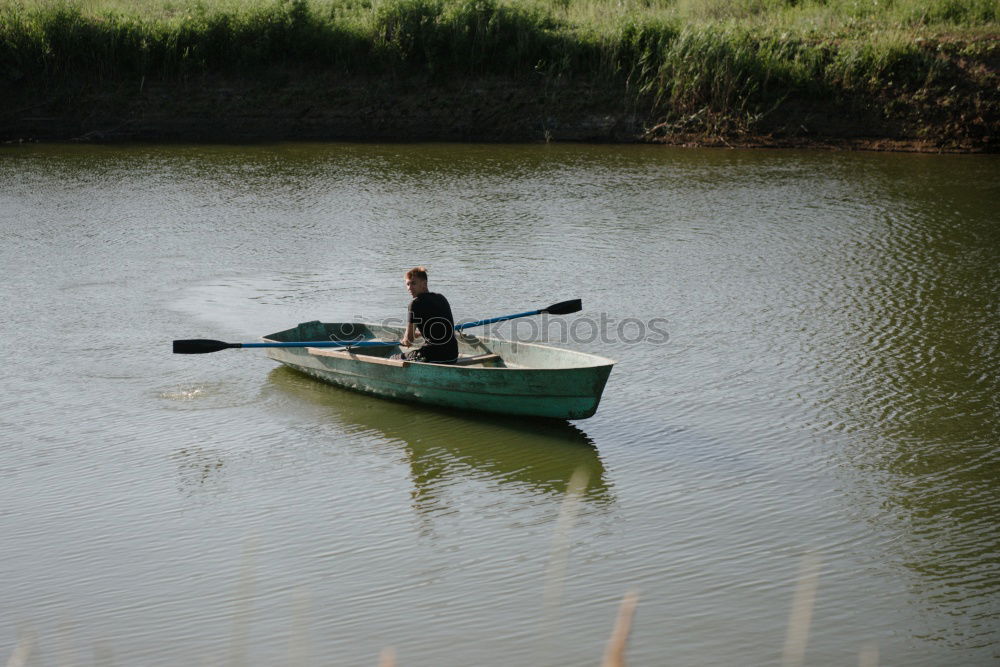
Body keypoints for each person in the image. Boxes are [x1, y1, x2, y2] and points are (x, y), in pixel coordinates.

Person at [394, 266, 458, 364]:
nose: (409, 288)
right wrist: (419, 334)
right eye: (407, 284)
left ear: (424, 283)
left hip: (434, 357)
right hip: (453, 356)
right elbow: (440, 328)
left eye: (413, 283)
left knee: (393, 358)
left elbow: (409, 341)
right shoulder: (441, 298)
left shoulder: (415, 304)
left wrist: (403, 340)